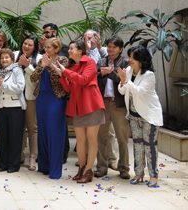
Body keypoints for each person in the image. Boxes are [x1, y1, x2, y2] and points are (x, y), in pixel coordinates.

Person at [58, 40, 105, 183]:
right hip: (78, 106)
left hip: (92, 105)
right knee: (79, 140)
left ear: (80, 51)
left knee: (91, 139)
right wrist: (61, 75)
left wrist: (65, 71)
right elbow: (68, 88)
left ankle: (88, 170)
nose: (69, 51)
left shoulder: (90, 62)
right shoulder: (73, 67)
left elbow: (84, 80)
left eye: (72, 48)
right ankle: (82, 168)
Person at [117, 46, 163, 187]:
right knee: (137, 145)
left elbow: (138, 91)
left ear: (141, 60)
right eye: (129, 56)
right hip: (134, 116)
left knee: (150, 146)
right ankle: (138, 174)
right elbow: (121, 90)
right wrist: (123, 80)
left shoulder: (149, 75)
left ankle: (153, 175)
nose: (129, 60)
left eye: (133, 57)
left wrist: (126, 80)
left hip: (149, 115)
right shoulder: (129, 71)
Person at [31, 38, 70, 179]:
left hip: (56, 98)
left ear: (56, 49)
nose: (46, 49)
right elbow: (33, 78)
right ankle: (44, 166)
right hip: (41, 97)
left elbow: (60, 76)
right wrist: (42, 65)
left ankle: (55, 170)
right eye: (45, 47)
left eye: (49, 47)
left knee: (55, 132)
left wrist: (49, 65)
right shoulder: (42, 60)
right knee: (43, 131)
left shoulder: (63, 60)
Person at [94, 36, 131, 179]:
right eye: (109, 46)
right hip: (103, 102)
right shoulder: (101, 61)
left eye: (114, 47)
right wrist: (101, 73)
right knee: (101, 136)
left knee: (122, 137)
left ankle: (124, 168)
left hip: (118, 104)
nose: (111, 49)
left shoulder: (126, 62)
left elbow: (125, 81)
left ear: (120, 49)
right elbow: (95, 77)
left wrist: (111, 73)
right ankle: (101, 167)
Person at [0, 49, 26, 173]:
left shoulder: (17, 70)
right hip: (1, 107)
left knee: (15, 138)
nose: (4, 60)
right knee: (2, 137)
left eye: (7, 57)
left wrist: (3, 86)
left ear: (12, 59)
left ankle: (13, 165)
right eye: (2, 58)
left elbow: (19, 88)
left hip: (15, 107)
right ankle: (2, 163)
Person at [16, 35, 41, 170]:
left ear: (35, 47)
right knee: (19, 126)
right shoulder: (15, 55)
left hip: (31, 97)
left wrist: (27, 66)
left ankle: (32, 156)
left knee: (32, 127)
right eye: (25, 43)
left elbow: (38, 79)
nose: (26, 46)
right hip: (16, 96)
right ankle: (19, 154)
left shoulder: (40, 58)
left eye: (30, 45)